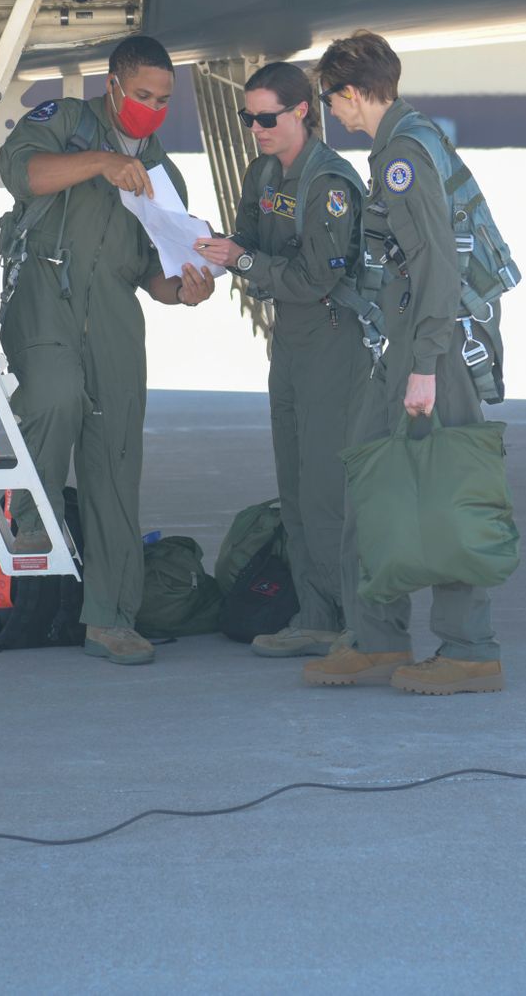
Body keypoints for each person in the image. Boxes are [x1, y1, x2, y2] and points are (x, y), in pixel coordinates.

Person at [0, 35, 216, 665]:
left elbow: (156, 272)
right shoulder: (63, 121)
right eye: (142, 95)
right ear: (113, 84)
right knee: (54, 396)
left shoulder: (162, 175)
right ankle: (31, 520)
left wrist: (185, 290)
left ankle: (110, 617)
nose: (152, 108)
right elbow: (22, 175)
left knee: (117, 459)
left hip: (116, 316)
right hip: (44, 294)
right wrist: (98, 162)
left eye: (163, 100)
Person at [301, 30, 507, 695]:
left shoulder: (402, 156)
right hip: (405, 344)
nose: (333, 113)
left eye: (333, 100)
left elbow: (438, 265)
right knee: (371, 477)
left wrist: (423, 364)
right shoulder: (402, 141)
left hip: (430, 350)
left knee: (446, 492)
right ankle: (376, 636)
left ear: (355, 93)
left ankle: (470, 649)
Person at [193, 63, 369, 660]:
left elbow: (317, 275)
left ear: (301, 112)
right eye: (248, 118)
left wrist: (243, 263)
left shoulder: (331, 183)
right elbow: (251, 243)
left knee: (326, 488)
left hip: (331, 338)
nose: (255, 128)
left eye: (266, 117)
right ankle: (316, 613)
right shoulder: (263, 171)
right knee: (293, 485)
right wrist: (206, 248)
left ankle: (357, 620)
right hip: (290, 338)